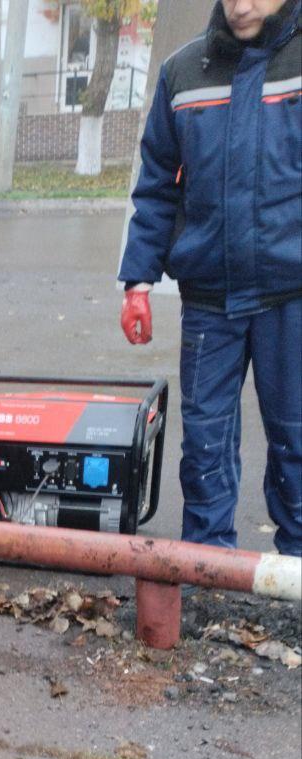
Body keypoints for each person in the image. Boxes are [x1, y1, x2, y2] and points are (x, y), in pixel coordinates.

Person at [119, 0, 301, 557]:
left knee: (297, 439)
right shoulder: (182, 72)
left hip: (291, 298)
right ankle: (207, 567)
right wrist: (138, 280)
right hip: (208, 303)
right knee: (204, 444)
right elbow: (156, 184)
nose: (243, 5)